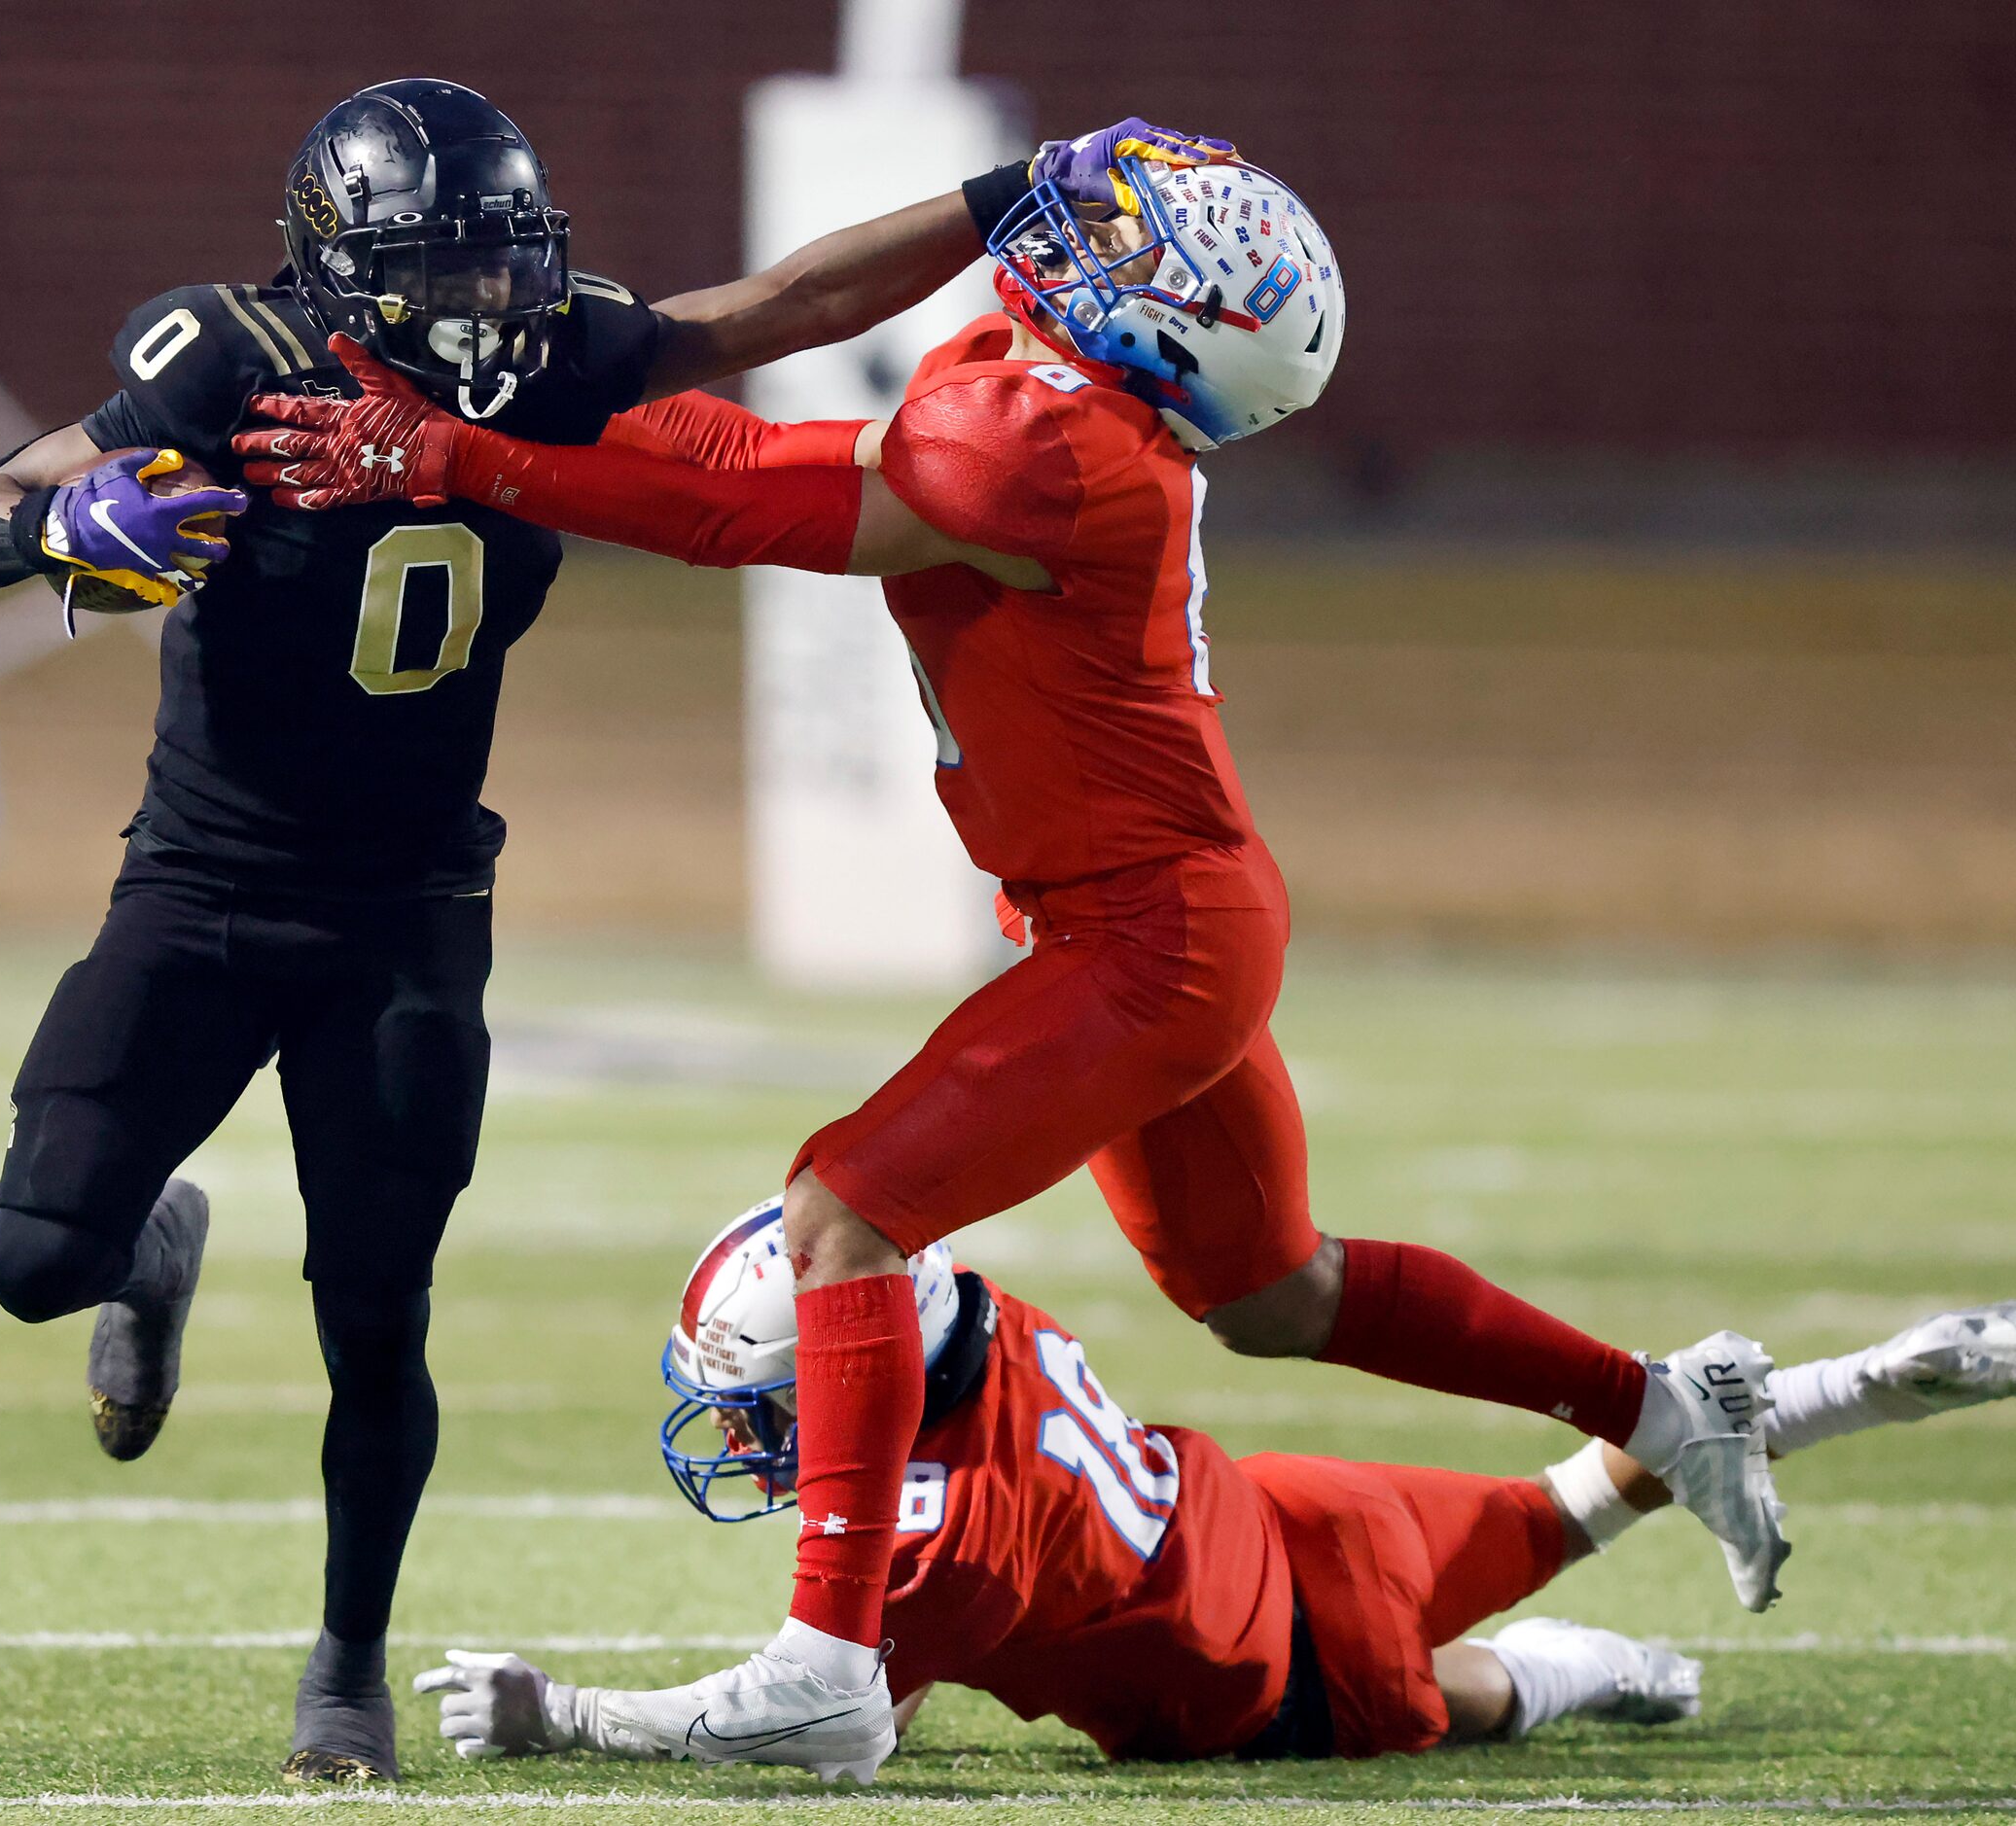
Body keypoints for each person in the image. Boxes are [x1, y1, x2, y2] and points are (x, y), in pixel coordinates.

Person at [239, 145, 1795, 1779]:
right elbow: (749, 447)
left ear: (1173, 324)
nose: (1084, 233)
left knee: (842, 1210)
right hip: (1166, 912)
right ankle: (1652, 1407)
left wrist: (460, 457)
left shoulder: (1046, 446)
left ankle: (826, 1661)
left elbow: (736, 507)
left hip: (1143, 936)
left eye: (1135, 238)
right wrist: (513, 422)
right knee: (1270, 1292)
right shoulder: (1041, 394)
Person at [0, 82, 1212, 1785]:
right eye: (440, 271)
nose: (484, 306)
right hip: (206, 885)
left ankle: (344, 1672)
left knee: (376, 1310)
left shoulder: (555, 357)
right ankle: (148, 1240)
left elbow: (778, 307)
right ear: (339, 266)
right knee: (32, 1263)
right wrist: (52, 528)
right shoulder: (223, 358)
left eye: (502, 262)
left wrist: (1005, 195)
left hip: (412, 910)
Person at [414, 1201, 2016, 1773]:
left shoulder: (925, 1536)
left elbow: (836, 1720)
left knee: (1473, 1675)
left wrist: (568, 1711)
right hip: (1266, 1506)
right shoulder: (988, 1321)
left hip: (1250, 1668)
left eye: (772, 1405)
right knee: (1580, 1493)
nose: (761, 1440)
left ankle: (1608, 1673)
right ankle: (1862, 1377)